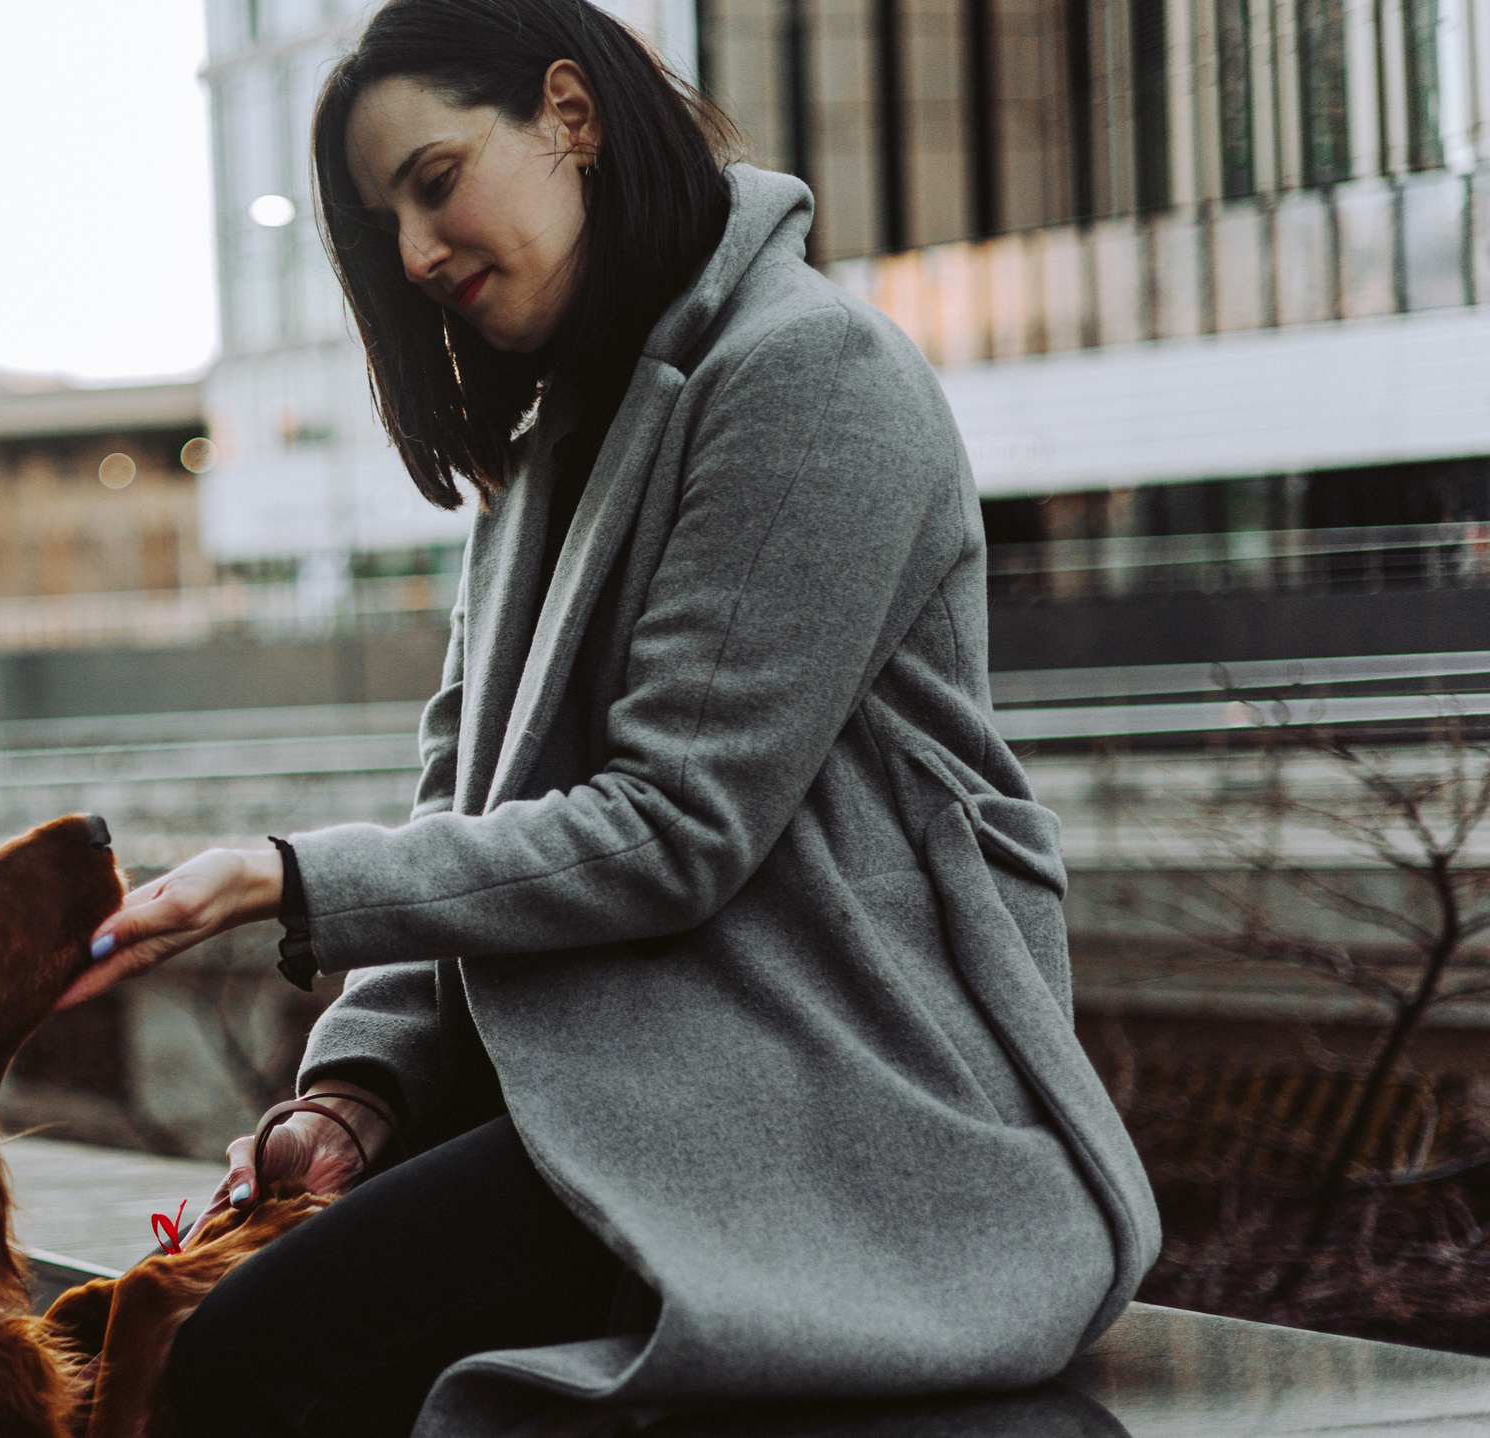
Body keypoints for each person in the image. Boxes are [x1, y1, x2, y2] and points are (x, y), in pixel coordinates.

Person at [57, 1, 1160, 1433]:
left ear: (570, 117)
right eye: (383, 220)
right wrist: (359, 1088)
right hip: (631, 1088)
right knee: (228, 1344)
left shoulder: (812, 377)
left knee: (258, 1363)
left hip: (832, 1107)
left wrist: (287, 876)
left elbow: (675, 827)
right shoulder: (554, 448)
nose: (413, 253)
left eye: (435, 180)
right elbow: (473, 814)